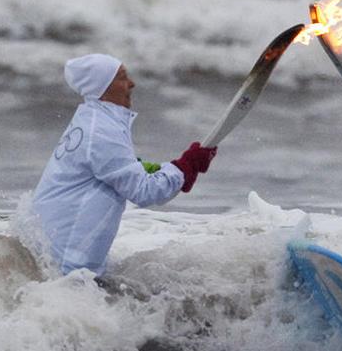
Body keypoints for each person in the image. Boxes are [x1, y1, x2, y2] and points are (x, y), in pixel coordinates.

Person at [32, 53, 216, 278]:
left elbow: (118, 170)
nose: (132, 83)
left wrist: (173, 169)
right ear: (103, 87)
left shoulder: (94, 121)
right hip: (67, 268)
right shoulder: (101, 132)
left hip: (56, 257)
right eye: (122, 77)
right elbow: (145, 191)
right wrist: (186, 165)